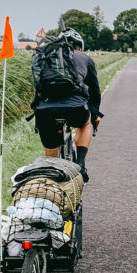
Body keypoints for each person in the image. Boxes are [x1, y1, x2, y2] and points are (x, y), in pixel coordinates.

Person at [32, 29, 102, 181]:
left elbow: (38, 87)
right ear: (79, 47)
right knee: (86, 122)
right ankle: (81, 164)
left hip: (44, 111)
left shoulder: (46, 57)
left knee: (52, 162)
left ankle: (53, 171)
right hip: (75, 108)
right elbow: (95, 91)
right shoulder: (85, 57)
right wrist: (95, 115)